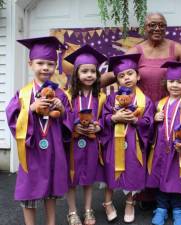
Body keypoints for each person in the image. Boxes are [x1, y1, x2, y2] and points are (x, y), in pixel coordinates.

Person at [6, 36, 72, 225]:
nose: (45, 67)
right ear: (30, 64)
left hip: (54, 150)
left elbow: (70, 122)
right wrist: (31, 109)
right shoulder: (24, 93)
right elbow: (13, 118)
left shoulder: (61, 94)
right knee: (29, 191)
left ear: (55, 67)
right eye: (40, 63)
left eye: (50, 64)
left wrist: (62, 109)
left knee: (51, 192)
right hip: (32, 150)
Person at [100, 53, 155, 223]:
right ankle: (107, 203)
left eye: (130, 73)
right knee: (111, 171)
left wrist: (136, 121)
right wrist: (113, 118)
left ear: (138, 76)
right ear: (117, 80)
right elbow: (104, 118)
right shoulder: (111, 99)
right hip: (113, 143)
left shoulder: (145, 101)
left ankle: (130, 202)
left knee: (133, 170)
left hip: (134, 143)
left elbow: (149, 121)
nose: (126, 78)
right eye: (121, 76)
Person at [146, 61, 181, 225]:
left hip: (179, 150)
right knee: (161, 178)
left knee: (178, 179)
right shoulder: (159, 104)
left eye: (179, 82)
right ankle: (161, 208)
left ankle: (178, 209)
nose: (175, 85)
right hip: (161, 150)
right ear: (165, 83)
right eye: (171, 81)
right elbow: (150, 129)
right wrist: (155, 120)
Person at [63, 44, 107, 225]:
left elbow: (107, 117)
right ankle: (72, 212)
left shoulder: (102, 97)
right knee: (71, 179)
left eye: (93, 71)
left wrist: (99, 126)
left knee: (89, 178)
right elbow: (62, 118)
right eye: (84, 71)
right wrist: (72, 128)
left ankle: (88, 210)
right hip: (72, 145)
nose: (89, 75)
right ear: (76, 74)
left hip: (91, 144)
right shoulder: (67, 96)